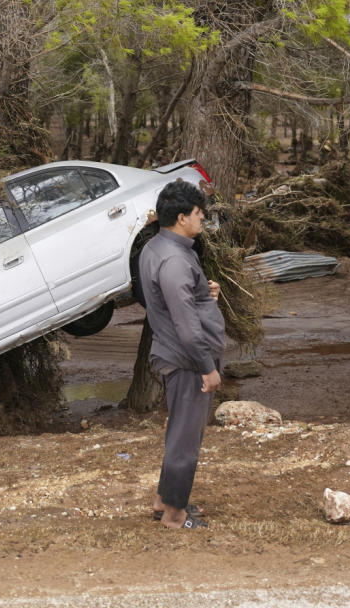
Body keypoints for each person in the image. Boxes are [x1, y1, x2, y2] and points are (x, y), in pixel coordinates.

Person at [139, 180, 226, 530]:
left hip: (175, 354)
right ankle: (175, 516)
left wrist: (205, 294)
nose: (202, 217)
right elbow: (187, 325)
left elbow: (170, 298)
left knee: (179, 432)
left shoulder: (157, 248)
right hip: (187, 360)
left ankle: (164, 500)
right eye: (197, 212)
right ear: (180, 217)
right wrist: (208, 368)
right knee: (186, 439)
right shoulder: (175, 259)